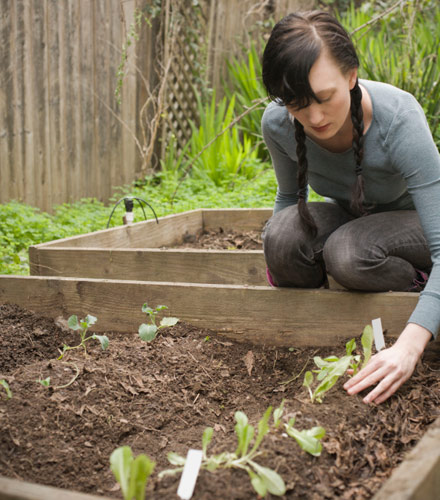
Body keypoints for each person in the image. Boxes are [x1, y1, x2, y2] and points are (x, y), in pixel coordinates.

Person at [260, 10, 440, 404]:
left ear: (351, 76)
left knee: (348, 253)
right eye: (297, 103)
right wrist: (276, 260)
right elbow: (290, 199)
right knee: (282, 237)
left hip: (421, 228)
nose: (315, 117)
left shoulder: (399, 120)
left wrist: (410, 344)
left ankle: (420, 283)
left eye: (325, 98)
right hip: (357, 218)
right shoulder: (277, 124)